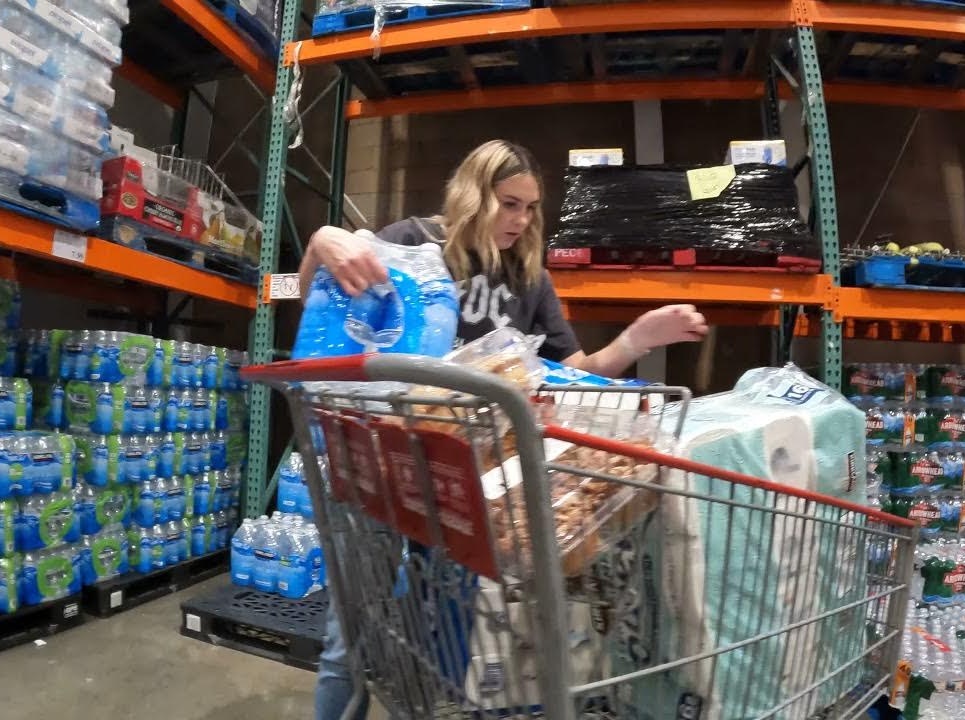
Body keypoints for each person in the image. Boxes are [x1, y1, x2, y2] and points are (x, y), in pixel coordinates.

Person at [301, 139, 708, 720]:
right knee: (350, 638)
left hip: (465, 487)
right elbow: (319, 296)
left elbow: (572, 375)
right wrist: (323, 240)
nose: (520, 221)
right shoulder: (412, 242)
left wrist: (638, 338)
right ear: (473, 194)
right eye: (509, 203)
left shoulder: (528, 280)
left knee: (441, 640)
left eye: (530, 209)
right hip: (381, 466)